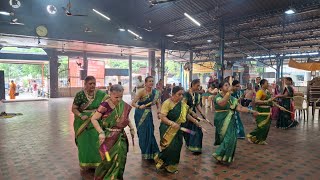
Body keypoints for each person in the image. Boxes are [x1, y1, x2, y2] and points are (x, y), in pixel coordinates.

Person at [155, 86, 203, 173]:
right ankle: (164, 162)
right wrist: (172, 123)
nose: (181, 96)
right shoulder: (167, 103)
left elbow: (186, 115)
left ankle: (171, 166)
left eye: (182, 94)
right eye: (179, 94)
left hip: (178, 130)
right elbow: (162, 117)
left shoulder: (182, 104)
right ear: (173, 94)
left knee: (177, 147)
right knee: (169, 148)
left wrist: (195, 121)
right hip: (167, 129)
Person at [91, 84, 135, 180]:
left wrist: (131, 128)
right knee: (107, 160)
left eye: (121, 97)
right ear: (110, 94)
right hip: (107, 138)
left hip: (121, 137)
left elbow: (126, 118)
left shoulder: (123, 105)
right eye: (116, 97)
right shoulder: (105, 105)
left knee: (121, 159)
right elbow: (94, 119)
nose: (119, 99)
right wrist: (101, 132)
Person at [213, 81, 258, 164]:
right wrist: (229, 93)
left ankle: (223, 156)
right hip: (221, 119)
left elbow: (240, 108)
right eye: (225, 85)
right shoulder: (217, 97)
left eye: (228, 85)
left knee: (232, 138)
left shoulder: (232, 98)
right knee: (226, 138)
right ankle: (219, 154)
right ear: (220, 88)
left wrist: (251, 111)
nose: (228, 86)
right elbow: (222, 103)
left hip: (231, 119)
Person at [71, 76, 108, 173]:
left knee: (97, 142)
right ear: (85, 84)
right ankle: (85, 164)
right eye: (90, 83)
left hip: (96, 121)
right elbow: (74, 108)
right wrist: (80, 115)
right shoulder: (80, 95)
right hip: (83, 123)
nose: (92, 85)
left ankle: (97, 163)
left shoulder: (100, 94)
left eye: (94, 83)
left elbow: (108, 103)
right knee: (84, 144)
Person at [132, 76, 160, 160]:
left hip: (149, 114)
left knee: (150, 132)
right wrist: (139, 106)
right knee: (143, 133)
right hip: (140, 114)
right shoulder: (141, 92)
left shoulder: (155, 92)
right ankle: (145, 152)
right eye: (149, 81)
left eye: (152, 81)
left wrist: (159, 112)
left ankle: (152, 152)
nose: (151, 82)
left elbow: (158, 103)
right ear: (146, 82)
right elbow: (133, 103)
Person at [247, 79, 275, 145]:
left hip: (268, 111)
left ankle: (261, 140)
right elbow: (256, 101)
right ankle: (251, 135)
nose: (268, 84)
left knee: (267, 127)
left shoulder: (267, 92)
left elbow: (271, 100)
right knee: (262, 126)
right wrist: (266, 101)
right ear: (262, 85)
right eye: (266, 83)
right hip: (261, 111)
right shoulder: (260, 92)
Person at [183, 79, 206, 154]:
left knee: (197, 130)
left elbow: (197, 105)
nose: (199, 87)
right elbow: (184, 106)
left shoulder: (197, 95)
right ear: (192, 85)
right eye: (197, 85)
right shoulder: (186, 94)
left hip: (194, 115)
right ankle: (190, 144)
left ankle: (196, 147)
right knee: (188, 131)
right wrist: (191, 113)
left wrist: (202, 113)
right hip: (186, 114)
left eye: (199, 85)